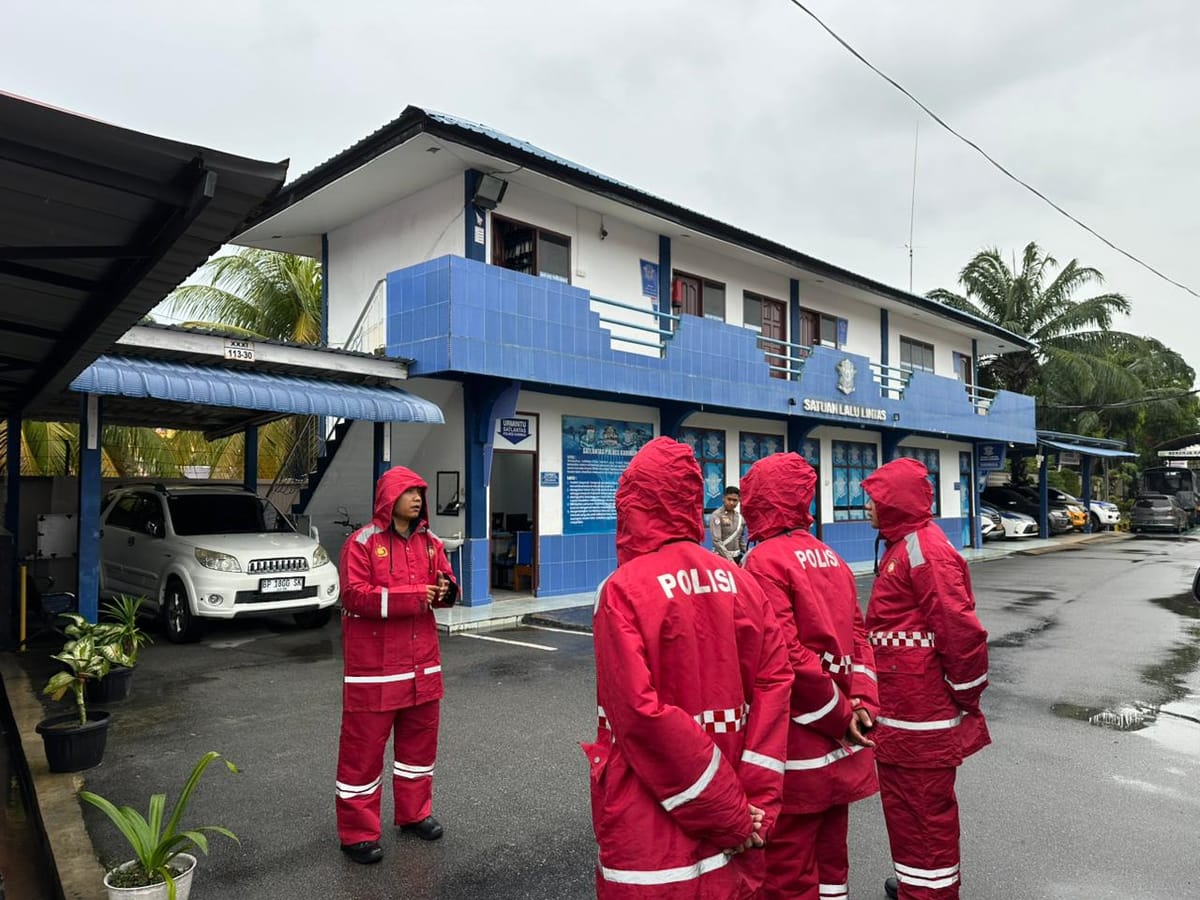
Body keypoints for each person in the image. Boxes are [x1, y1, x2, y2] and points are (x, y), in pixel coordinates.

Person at [585, 436, 793, 898]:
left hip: (650, 831)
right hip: (742, 812)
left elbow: (641, 716)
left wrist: (729, 814)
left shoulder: (621, 591)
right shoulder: (744, 584)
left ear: (632, 504)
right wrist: (753, 806)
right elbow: (774, 689)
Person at [741, 453, 879, 900]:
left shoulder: (763, 561)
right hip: (841, 747)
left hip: (797, 748)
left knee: (787, 870)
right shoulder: (830, 557)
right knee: (831, 864)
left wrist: (839, 715)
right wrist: (860, 706)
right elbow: (859, 638)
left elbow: (785, 656)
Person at [861, 458, 990, 900]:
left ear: (896, 500)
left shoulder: (923, 551)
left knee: (923, 813)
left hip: (922, 714)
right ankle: (918, 884)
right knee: (907, 812)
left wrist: (965, 695)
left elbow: (960, 632)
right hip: (903, 715)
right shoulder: (905, 546)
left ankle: (931, 892)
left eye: (875, 499)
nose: (868, 508)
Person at [335, 466, 459, 865]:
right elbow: (354, 596)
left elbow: (446, 586)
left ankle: (415, 814)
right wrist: (413, 595)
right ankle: (356, 833)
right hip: (374, 672)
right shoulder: (362, 543)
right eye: (409, 492)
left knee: (419, 750)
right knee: (362, 754)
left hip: (423, 669)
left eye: (420, 492)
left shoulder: (431, 542)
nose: (418, 498)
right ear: (389, 499)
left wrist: (446, 591)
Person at [710, 485, 749, 564]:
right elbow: (717, 541)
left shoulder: (740, 518)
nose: (731, 502)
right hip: (721, 558)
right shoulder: (717, 515)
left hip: (737, 558)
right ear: (723, 498)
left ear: (739, 501)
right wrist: (730, 560)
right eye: (729, 499)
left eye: (735, 500)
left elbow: (740, 539)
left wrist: (748, 553)